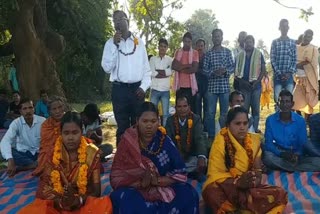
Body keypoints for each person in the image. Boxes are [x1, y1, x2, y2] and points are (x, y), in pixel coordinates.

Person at [110, 102, 199, 214]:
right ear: (137, 121)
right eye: (145, 121)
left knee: (189, 194)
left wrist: (157, 181)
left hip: (163, 185)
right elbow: (117, 176)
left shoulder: (164, 141)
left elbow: (180, 172)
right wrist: (141, 183)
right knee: (123, 198)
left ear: (159, 121)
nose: (149, 126)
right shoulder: (127, 141)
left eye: (153, 121)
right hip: (135, 188)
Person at [19, 112, 112, 213]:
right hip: (58, 202)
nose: (70, 137)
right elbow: (45, 187)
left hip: (83, 201)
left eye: (75, 132)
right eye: (66, 133)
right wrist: (62, 202)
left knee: (103, 206)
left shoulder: (92, 153)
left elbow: (96, 191)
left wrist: (78, 200)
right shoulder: (53, 152)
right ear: (61, 133)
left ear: (81, 132)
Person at [203, 106, 287, 213]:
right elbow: (214, 175)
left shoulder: (254, 141)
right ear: (228, 125)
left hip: (247, 188)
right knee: (210, 192)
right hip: (226, 187)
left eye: (245, 123)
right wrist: (237, 182)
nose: (242, 127)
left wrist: (253, 180)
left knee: (280, 194)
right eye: (237, 124)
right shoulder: (220, 142)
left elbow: (257, 172)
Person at [101, 10, 151, 145]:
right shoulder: (109, 44)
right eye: (114, 20)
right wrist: (114, 45)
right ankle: (123, 161)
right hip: (119, 90)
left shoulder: (139, 43)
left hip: (137, 90)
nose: (117, 22)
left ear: (127, 20)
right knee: (122, 127)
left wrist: (143, 87)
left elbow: (146, 69)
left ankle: (140, 159)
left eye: (120, 18)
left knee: (138, 125)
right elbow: (106, 68)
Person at [262, 90, 320, 172]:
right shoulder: (270, 120)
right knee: (267, 157)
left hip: (296, 156)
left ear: (292, 104)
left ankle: (286, 168)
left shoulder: (300, 120)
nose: (285, 105)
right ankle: (295, 169)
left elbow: (303, 142)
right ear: (278, 104)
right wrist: (281, 154)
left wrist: (296, 155)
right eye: (282, 102)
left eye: (287, 102)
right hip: (279, 154)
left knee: (318, 162)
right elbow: (268, 144)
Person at [0, 98, 46, 177]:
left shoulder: (42, 121)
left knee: (50, 153)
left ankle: (23, 167)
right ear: (20, 111)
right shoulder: (16, 123)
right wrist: (10, 159)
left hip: (40, 154)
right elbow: (5, 141)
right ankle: (34, 165)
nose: (28, 111)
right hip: (24, 154)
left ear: (34, 109)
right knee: (6, 151)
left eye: (30, 108)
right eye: (24, 109)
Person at [165, 95, 207, 180]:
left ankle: (180, 173)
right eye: (179, 106)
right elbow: (168, 141)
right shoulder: (170, 120)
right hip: (176, 156)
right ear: (176, 108)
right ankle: (182, 172)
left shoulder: (196, 119)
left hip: (192, 157)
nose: (182, 109)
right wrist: (175, 157)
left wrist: (201, 157)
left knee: (202, 162)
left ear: (189, 107)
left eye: (185, 106)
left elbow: (199, 138)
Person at [203, 28, 234, 140]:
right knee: (210, 113)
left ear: (222, 37)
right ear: (212, 38)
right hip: (212, 87)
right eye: (215, 36)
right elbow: (204, 69)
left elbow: (232, 66)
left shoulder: (227, 52)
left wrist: (225, 71)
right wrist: (213, 72)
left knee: (224, 113)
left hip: (224, 87)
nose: (216, 38)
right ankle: (212, 136)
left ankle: (224, 135)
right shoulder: (208, 53)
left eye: (218, 36)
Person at [234, 35, 266, 133]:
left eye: (250, 42)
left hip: (256, 86)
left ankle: (254, 130)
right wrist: (244, 83)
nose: (248, 44)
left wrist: (256, 82)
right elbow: (236, 72)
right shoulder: (239, 55)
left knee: (255, 110)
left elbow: (263, 70)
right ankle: (245, 131)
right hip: (244, 86)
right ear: (244, 43)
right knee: (244, 110)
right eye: (246, 42)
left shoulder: (259, 54)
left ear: (253, 43)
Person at [33, 96, 65, 176]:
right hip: (51, 154)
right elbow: (46, 145)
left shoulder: (70, 120)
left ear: (63, 107)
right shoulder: (45, 125)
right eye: (54, 109)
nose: (58, 111)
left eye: (60, 107)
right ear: (49, 111)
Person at [293, 29, 319, 118]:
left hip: (309, 79)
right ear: (302, 35)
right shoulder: (296, 48)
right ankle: (299, 118)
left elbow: (313, 63)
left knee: (309, 101)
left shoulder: (313, 48)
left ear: (311, 38)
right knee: (296, 100)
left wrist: (299, 64)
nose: (307, 38)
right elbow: (294, 62)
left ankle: (308, 120)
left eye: (309, 36)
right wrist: (301, 63)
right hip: (298, 79)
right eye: (306, 35)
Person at [270, 19, 296, 106]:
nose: (284, 28)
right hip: (278, 76)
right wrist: (279, 73)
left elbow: (294, 59)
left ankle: (288, 118)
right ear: (279, 28)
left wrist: (289, 73)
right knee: (277, 98)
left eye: (286, 26)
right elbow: (272, 58)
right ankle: (278, 116)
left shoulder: (292, 42)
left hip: (289, 76)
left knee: (289, 98)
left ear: (288, 28)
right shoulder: (275, 42)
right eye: (282, 26)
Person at [172, 32, 199, 111]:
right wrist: (187, 65)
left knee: (190, 109)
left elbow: (194, 69)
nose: (187, 43)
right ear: (183, 41)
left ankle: (190, 123)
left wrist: (180, 67)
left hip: (190, 87)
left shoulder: (195, 53)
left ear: (191, 42)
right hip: (180, 86)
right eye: (185, 41)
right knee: (179, 109)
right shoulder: (178, 52)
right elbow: (174, 66)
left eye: (189, 42)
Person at [149, 38, 173, 126]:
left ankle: (165, 133)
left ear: (167, 48)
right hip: (154, 89)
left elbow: (171, 72)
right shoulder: (152, 59)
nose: (162, 48)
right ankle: (153, 131)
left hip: (165, 90)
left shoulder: (170, 60)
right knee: (152, 113)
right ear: (158, 47)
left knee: (166, 114)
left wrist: (158, 71)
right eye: (161, 46)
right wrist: (165, 73)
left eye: (164, 47)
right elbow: (152, 73)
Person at [194, 38, 208, 124]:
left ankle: (206, 127)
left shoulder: (207, 57)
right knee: (197, 107)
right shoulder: (193, 57)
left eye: (201, 46)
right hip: (196, 85)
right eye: (198, 46)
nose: (200, 47)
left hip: (207, 85)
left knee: (207, 108)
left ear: (204, 47)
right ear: (196, 47)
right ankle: (198, 126)